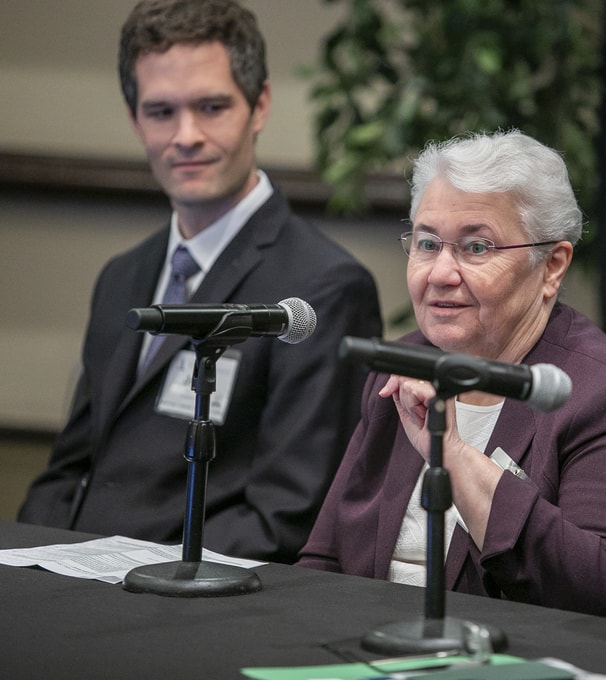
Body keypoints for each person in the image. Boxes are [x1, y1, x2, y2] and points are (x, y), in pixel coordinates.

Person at [17, 0, 383, 564]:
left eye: (211, 107)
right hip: (71, 581)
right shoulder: (122, 276)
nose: (185, 135)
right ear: (135, 118)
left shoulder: (324, 287)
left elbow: (285, 517)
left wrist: (136, 572)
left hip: (194, 602)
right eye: (161, 112)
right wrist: (40, 557)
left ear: (259, 104)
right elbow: (67, 473)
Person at [298, 129, 606, 625]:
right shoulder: (400, 366)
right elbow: (324, 561)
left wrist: (456, 457)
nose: (440, 272)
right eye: (427, 243)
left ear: (551, 266)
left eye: (476, 247)